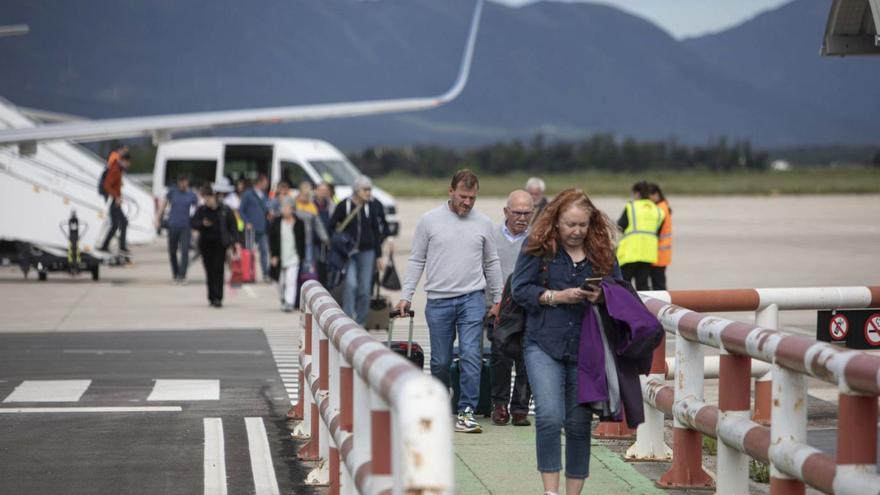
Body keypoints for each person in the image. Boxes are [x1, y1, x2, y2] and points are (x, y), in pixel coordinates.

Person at [510, 188, 622, 495]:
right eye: (571, 224)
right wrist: (554, 297)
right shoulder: (538, 248)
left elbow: (621, 292)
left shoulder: (601, 251)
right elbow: (519, 289)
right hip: (543, 342)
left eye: (583, 225)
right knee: (549, 415)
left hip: (585, 348)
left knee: (577, 424)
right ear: (556, 221)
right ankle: (551, 491)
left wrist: (603, 295)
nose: (577, 231)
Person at [396, 169, 503, 434]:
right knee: (440, 362)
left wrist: (498, 298)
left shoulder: (484, 223)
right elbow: (417, 259)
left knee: (470, 355)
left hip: (472, 299)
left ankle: (467, 411)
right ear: (451, 191)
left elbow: (491, 262)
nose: (467, 203)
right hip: (439, 300)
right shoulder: (429, 221)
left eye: (473, 198)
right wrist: (406, 295)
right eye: (463, 197)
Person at [488, 190, 534, 427]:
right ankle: (499, 405)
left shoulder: (537, 239)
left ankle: (520, 408)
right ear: (506, 211)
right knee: (500, 356)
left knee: (528, 358)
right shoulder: (491, 236)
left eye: (527, 213)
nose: (522, 218)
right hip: (500, 307)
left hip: (529, 306)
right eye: (517, 212)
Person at [329, 175, 388, 325]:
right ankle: (348, 321)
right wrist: (338, 245)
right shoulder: (344, 206)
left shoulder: (372, 206)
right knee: (350, 285)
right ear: (356, 190)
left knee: (365, 288)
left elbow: (377, 232)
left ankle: (360, 322)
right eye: (365, 189)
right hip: (349, 254)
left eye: (370, 189)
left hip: (368, 252)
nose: (369, 192)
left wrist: (379, 256)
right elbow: (331, 227)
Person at [191, 184, 240, 308]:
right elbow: (192, 223)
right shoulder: (202, 210)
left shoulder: (225, 210)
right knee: (209, 271)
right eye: (205, 198)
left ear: (215, 197)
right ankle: (211, 296)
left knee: (219, 269)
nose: (207, 201)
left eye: (209, 198)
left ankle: (218, 297)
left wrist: (235, 242)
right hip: (206, 244)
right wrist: (202, 223)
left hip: (220, 244)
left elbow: (233, 227)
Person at [616, 181, 664, 291]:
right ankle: (642, 308)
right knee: (643, 286)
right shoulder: (658, 211)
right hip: (648, 254)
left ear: (637, 193)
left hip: (630, 252)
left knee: (623, 285)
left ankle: (625, 308)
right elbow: (657, 231)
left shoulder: (632, 207)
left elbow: (621, 226)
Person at [158, 175, 198, 283]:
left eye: (184, 182)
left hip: (186, 226)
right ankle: (175, 273)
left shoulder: (192, 195)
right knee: (172, 251)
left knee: (185, 251)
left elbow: (197, 210)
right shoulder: (172, 192)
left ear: (187, 183)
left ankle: (182, 275)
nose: (182, 185)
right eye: (180, 182)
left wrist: (196, 228)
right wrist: (158, 218)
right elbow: (163, 204)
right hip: (173, 226)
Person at [269, 200, 306, 312]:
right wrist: (274, 255)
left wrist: (301, 256)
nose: (284, 210)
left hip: (294, 257)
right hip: (280, 256)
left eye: (287, 207)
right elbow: (272, 240)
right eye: (283, 207)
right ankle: (283, 298)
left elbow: (302, 241)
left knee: (291, 281)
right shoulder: (276, 222)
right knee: (279, 282)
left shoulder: (299, 223)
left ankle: (289, 302)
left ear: (292, 209)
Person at [98, 147, 131, 254]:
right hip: (113, 201)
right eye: (128, 163)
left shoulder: (118, 169)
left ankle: (115, 246)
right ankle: (109, 246)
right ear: (125, 161)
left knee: (120, 223)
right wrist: (116, 196)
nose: (129, 165)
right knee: (118, 223)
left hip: (115, 200)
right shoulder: (116, 169)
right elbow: (107, 185)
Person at [239, 174, 272, 282]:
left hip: (262, 228)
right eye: (265, 182)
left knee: (264, 251)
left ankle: (265, 274)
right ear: (260, 182)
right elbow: (241, 210)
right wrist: (247, 221)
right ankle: (248, 274)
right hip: (251, 229)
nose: (267, 184)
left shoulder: (265, 195)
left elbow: (266, 209)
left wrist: (269, 215)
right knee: (249, 252)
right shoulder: (248, 194)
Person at [648, 183, 671, 291]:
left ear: (656, 194)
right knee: (659, 283)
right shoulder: (664, 206)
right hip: (661, 253)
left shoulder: (660, 209)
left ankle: (661, 307)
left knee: (658, 286)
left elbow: (656, 230)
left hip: (658, 253)